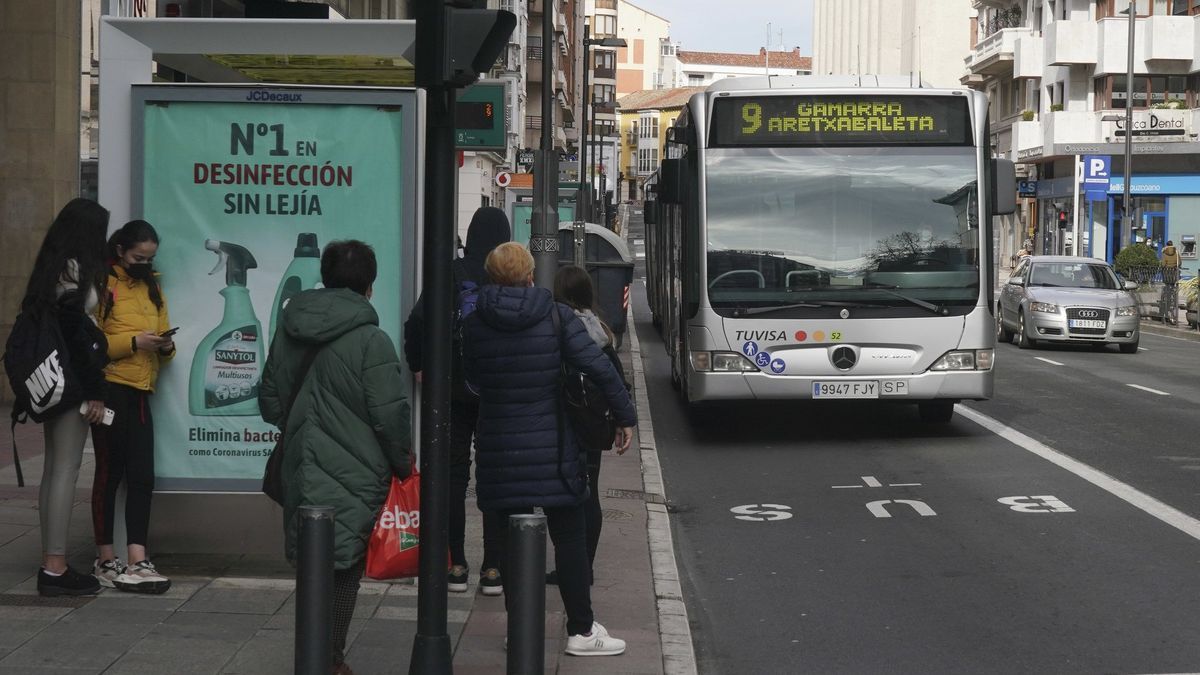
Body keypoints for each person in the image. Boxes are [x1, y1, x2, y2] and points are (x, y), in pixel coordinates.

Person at [463, 242, 635, 656]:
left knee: (507, 542)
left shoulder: (475, 323)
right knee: (570, 537)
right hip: (554, 450)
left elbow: (472, 382)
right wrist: (624, 416)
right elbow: (599, 368)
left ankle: (520, 631)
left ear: (491, 276)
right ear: (529, 275)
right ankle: (580, 629)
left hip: (499, 449)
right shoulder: (556, 317)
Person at [261, 240, 412, 675]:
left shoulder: (290, 328)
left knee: (312, 561)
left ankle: (316, 655)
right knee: (344, 567)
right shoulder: (372, 340)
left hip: (300, 466)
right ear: (369, 285)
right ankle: (328, 660)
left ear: (325, 277)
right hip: (356, 470)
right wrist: (403, 464)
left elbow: (270, 402)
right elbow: (390, 417)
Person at [402, 206, 510, 596]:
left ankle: (456, 564)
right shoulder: (509, 274)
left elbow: (416, 323)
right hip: (498, 393)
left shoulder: (450, 272)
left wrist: (420, 364)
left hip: (450, 389)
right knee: (495, 475)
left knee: (451, 475)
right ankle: (494, 568)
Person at [19, 198, 110, 597]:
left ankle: (50, 561)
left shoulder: (50, 267)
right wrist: (94, 392)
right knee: (65, 470)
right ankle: (55, 569)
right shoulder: (76, 270)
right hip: (71, 383)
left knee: (53, 468)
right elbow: (77, 336)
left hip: (51, 379)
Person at [90, 220, 175, 594]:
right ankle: (105, 559)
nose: (144, 263)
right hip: (110, 388)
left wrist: (166, 346)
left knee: (142, 476)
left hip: (142, 388)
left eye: (150, 258)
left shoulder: (152, 286)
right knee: (109, 475)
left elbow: (165, 331)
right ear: (121, 250)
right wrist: (134, 343)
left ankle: (138, 559)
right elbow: (91, 343)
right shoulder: (103, 283)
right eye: (139, 257)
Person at [547, 265, 629, 586]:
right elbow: (617, 378)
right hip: (594, 424)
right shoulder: (601, 331)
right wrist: (622, 419)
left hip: (566, 423)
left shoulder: (558, 328)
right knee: (590, 491)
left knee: (568, 497)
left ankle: (571, 566)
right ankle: (586, 567)